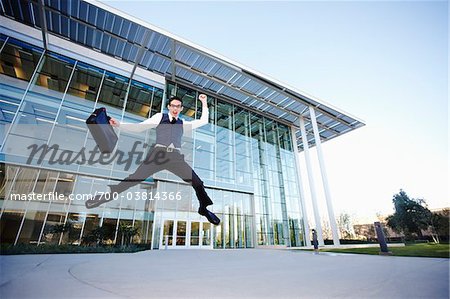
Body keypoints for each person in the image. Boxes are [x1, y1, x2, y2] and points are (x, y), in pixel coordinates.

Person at [85, 94, 220, 225]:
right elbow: (140, 127)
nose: (175, 108)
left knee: (198, 183)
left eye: (178, 106)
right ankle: (105, 197)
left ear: (181, 109)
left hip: (175, 157)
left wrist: (203, 102)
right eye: (173, 106)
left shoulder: (182, 123)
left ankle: (203, 209)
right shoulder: (160, 117)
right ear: (168, 106)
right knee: (134, 178)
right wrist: (119, 124)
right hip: (158, 155)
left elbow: (203, 121)